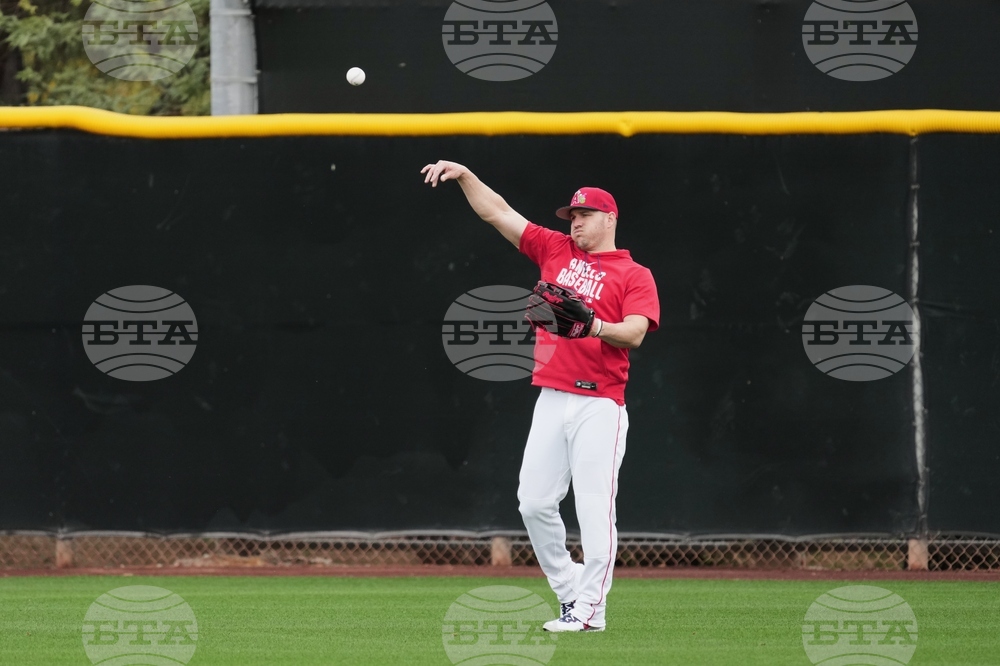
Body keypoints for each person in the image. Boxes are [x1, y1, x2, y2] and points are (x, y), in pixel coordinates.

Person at [422, 160, 660, 633]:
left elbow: (634, 334)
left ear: (610, 218)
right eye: (572, 215)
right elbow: (498, 213)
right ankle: (571, 592)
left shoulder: (635, 274)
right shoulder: (555, 249)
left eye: (585, 214)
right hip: (552, 396)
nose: (575, 222)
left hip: (601, 403)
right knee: (532, 502)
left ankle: (592, 610)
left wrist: (592, 325)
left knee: (595, 511)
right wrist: (466, 175)